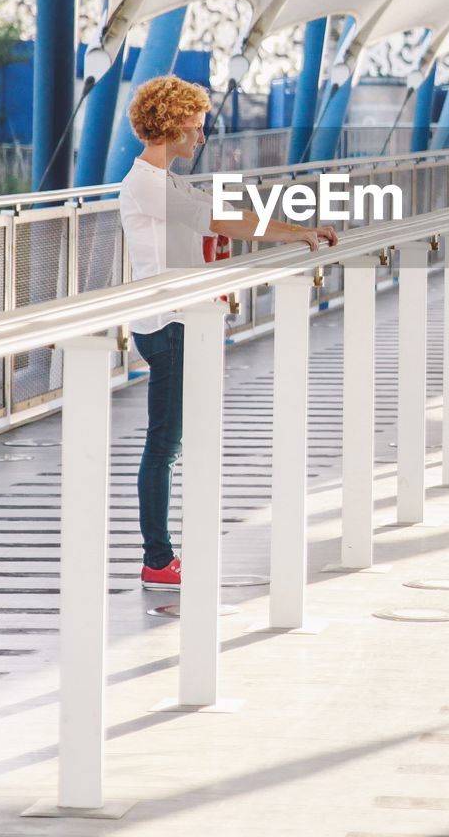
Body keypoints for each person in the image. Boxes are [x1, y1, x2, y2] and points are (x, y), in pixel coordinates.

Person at [119, 74, 338, 589]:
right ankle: (157, 559)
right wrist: (298, 232)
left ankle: (166, 552)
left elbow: (208, 230)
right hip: (168, 324)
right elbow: (225, 221)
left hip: (181, 319)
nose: (201, 138)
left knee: (174, 441)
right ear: (171, 127)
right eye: (195, 128)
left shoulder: (169, 182)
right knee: (164, 444)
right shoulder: (147, 184)